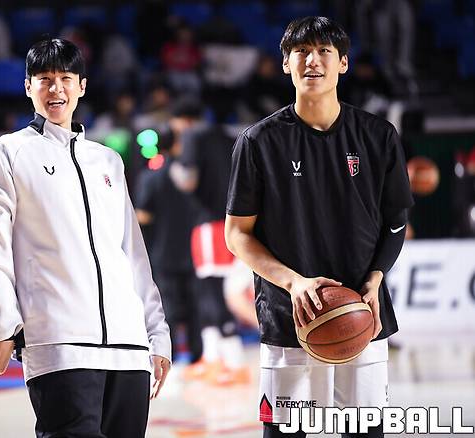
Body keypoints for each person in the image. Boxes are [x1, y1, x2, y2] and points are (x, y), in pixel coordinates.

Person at [0, 38, 171, 438]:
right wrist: (5, 328)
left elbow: (133, 254)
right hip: (59, 346)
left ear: (82, 86)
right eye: (44, 79)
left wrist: (156, 333)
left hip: (129, 349)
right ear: (28, 87)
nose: (55, 89)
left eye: (65, 78)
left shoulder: (107, 161)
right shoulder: (6, 154)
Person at [224, 17, 414, 437]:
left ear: (343, 63)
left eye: (324, 51)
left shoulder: (378, 136)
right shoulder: (258, 142)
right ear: (286, 64)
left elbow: (396, 222)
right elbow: (237, 234)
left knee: (365, 432)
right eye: (302, 52)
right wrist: (294, 283)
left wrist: (375, 278)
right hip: (289, 316)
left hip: (361, 313)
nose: (313, 61)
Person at [169, 98, 249, 386]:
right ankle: (213, 357)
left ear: (183, 121)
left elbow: (187, 180)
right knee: (216, 290)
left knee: (212, 291)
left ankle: (233, 362)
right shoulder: (229, 136)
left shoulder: (192, 135)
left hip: (209, 223)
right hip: (232, 221)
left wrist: (174, 168)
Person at [135, 97, 204, 363]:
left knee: (169, 310)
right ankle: (198, 358)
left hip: (163, 253)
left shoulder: (150, 177)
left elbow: (143, 215)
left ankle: (170, 359)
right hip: (193, 249)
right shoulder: (190, 173)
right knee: (196, 307)